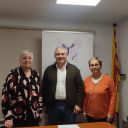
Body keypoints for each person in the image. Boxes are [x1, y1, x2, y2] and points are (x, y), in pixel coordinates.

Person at [42, 47, 84, 125]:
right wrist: (44, 105)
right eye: (58, 54)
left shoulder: (74, 69)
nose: (60, 56)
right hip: (52, 106)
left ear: (67, 55)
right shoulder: (48, 70)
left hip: (70, 106)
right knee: (53, 126)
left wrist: (78, 104)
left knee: (69, 126)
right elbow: (44, 88)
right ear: (54, 56)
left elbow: (80, 88)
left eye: (63, 54)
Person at [1, 50, 42, 127]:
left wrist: (39, 110)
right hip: (17, 116)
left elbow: (39, 94)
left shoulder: (36, 74)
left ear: (32, 60)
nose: (27, 60)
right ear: (20, 60)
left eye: (29, 58)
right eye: (24, 58)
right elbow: (5, 96)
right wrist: (8, 116)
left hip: (33, 116)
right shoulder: (12, 75)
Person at [83, 57, 117, 124]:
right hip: (89, 115)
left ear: (100, 66)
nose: (94, 67)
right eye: (92, 65)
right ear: (89, 67)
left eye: (96, 65)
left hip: (105, 116)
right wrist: (84, 110)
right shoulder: (86, 80)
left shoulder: (108, 79)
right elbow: (85, 97)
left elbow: (113, 97)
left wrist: (110, 113)